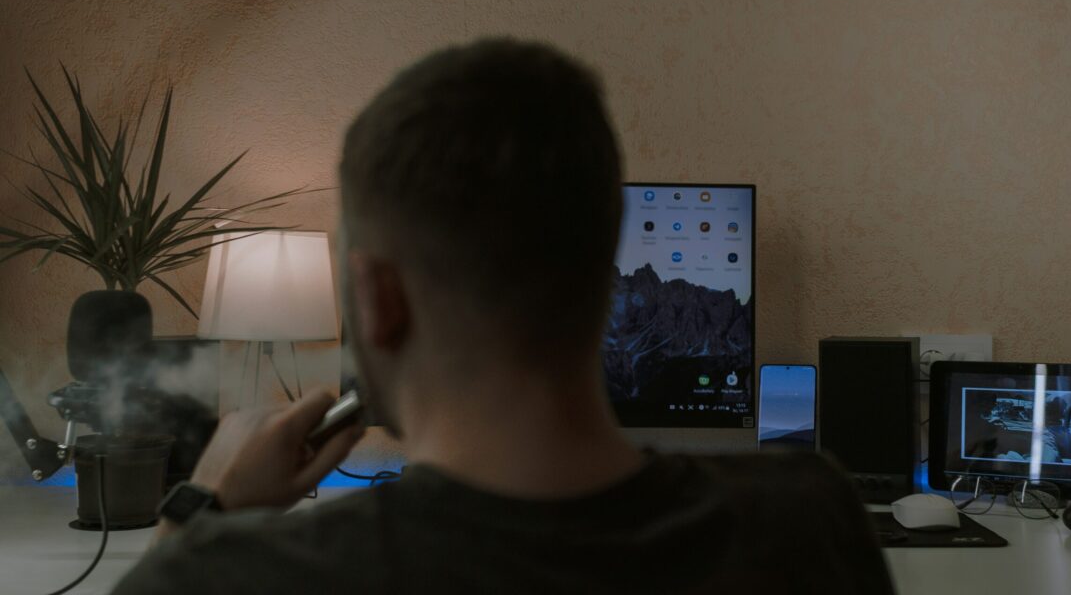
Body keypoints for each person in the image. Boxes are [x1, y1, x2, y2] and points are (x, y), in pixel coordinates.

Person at [113, 38, 893, 594]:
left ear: (379, 300)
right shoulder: (809, 519)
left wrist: (200, 508)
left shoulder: (237, 574)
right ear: (602, 274)